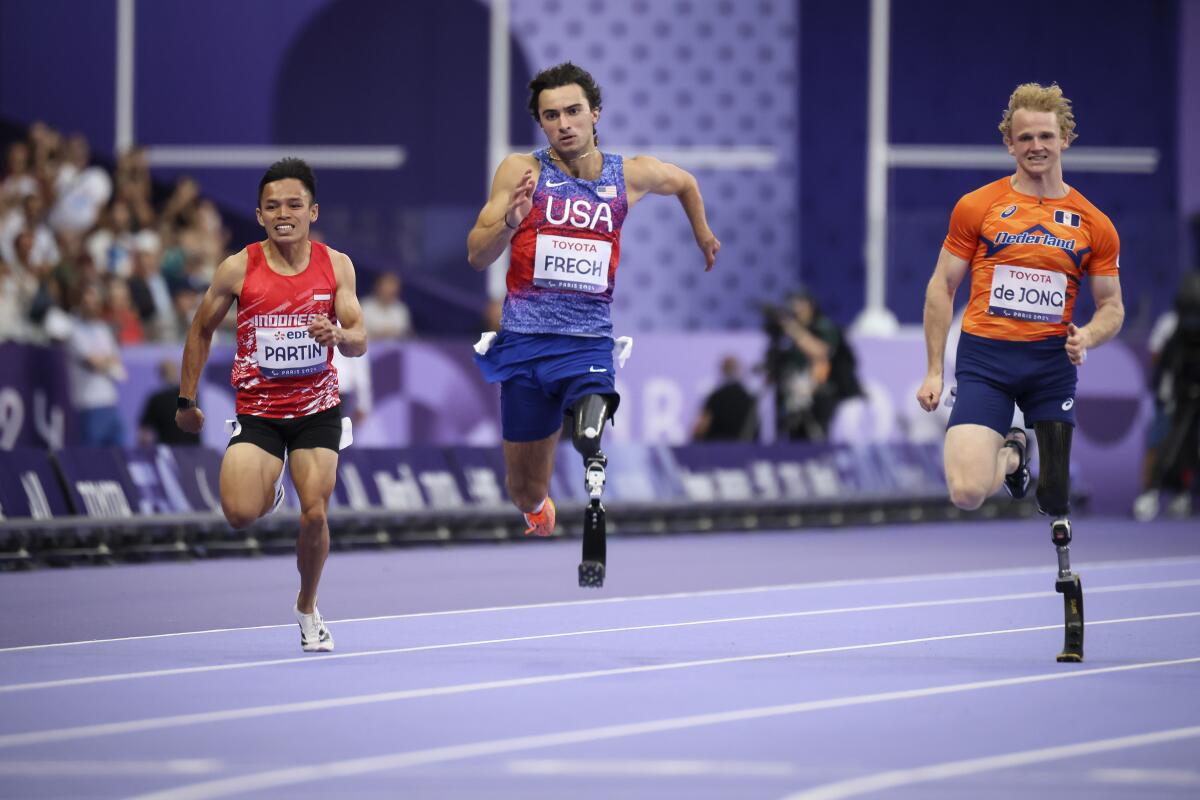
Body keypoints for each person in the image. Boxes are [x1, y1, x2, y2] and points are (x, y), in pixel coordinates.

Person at [466, 62, 719, 587]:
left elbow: (686, 182)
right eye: (551, 115)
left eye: (573, 111)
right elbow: (475, 255)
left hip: (588, 341)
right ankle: (538, 506)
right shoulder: (521, 172)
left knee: (589, 419)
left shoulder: (629, 174)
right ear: (541, 123)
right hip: (525, 345)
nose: (564, 123)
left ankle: (591, 442)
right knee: (523, 487)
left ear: (595, 113)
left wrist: (703, 233)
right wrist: (510, 222)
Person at [916, 83, 1124, 662]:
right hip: (985, 359)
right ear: (1009, 142)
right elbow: (942, 286)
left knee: (1054, 495)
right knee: (964, 493)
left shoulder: (1092, 223)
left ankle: (1023, 454)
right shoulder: (977, 206)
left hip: (1050, 368)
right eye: (1025, 137)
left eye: (1046, 137)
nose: (1036, 146)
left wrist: (1089, 335)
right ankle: (1012, 448)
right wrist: (934, 369)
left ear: (1065, 140)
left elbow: (1112, 306)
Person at [175, 158, 367, 652]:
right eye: (273, 206)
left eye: (294, 205)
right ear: (259, 215)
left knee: (316, 514)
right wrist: (187, 399)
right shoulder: (238, 268)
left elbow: (360, 340)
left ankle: (307, 607)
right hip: (259, 413)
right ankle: (268, 491)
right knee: (240, 513)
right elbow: (200, 329)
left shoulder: (336, 265)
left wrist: (338, 334)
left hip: (316, 413)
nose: (284, 213)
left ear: (313, 211)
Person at [693, 355, 758, 441]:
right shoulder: (750, 398)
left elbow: (701, 428)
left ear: (722, 370)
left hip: (716, 449)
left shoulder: (715, 397)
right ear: (738, 370)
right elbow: (755, 429)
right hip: (745, 450)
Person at [139, 359, 201, 446]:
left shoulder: (191, 396)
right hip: (179, 450)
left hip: (185, 450)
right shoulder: (157, 399)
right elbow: (144, 432)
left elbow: (144, 433)